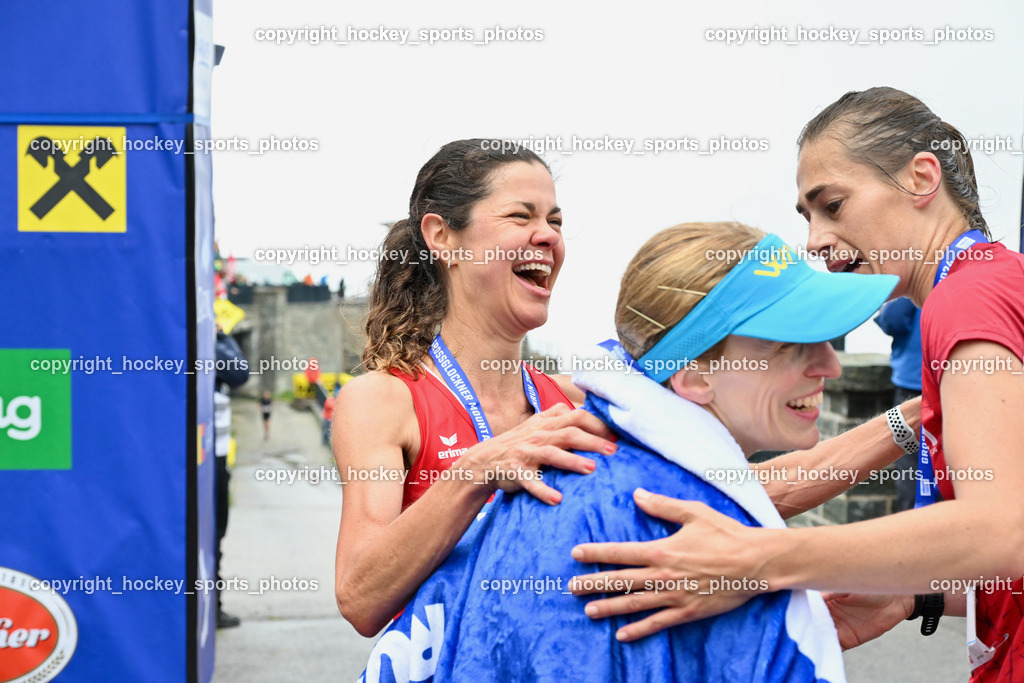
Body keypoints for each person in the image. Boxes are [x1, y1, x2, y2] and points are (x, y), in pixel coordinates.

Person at [569, 87, 1024, 683]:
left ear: (921, 178)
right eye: (808, 217)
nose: (814, 240)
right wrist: (913, 595)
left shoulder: (966, 298)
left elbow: (1003, 529)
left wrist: (760, 559)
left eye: (832, 205)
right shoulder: (986, 283)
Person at [358, 222, 898, 682]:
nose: (830, 365)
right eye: (791, 343)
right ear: (694, 375)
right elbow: (359, 596)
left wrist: (917, 420)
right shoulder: (653, 518)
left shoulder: (616, 459)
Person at [333, 139, 617, 637]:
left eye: (555, 221)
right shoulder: (384, 400)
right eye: (520, 216)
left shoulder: (576, 402)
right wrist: (476, 472)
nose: (547, 236)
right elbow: (360, 597)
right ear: (443, 237)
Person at [213, 326, 249, 629]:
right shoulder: (201, 340)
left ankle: (212, 606)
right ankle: (210, 608)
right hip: (205, 458)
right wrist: (221, 337)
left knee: (215, 535)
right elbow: (239, 372)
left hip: (216, 456)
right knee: (210, 534)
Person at [874, 296, 923, 511]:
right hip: (959, 382)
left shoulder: (920, 277)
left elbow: (893, 318)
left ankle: (912, 524)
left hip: (912, 383)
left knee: (910, 462)